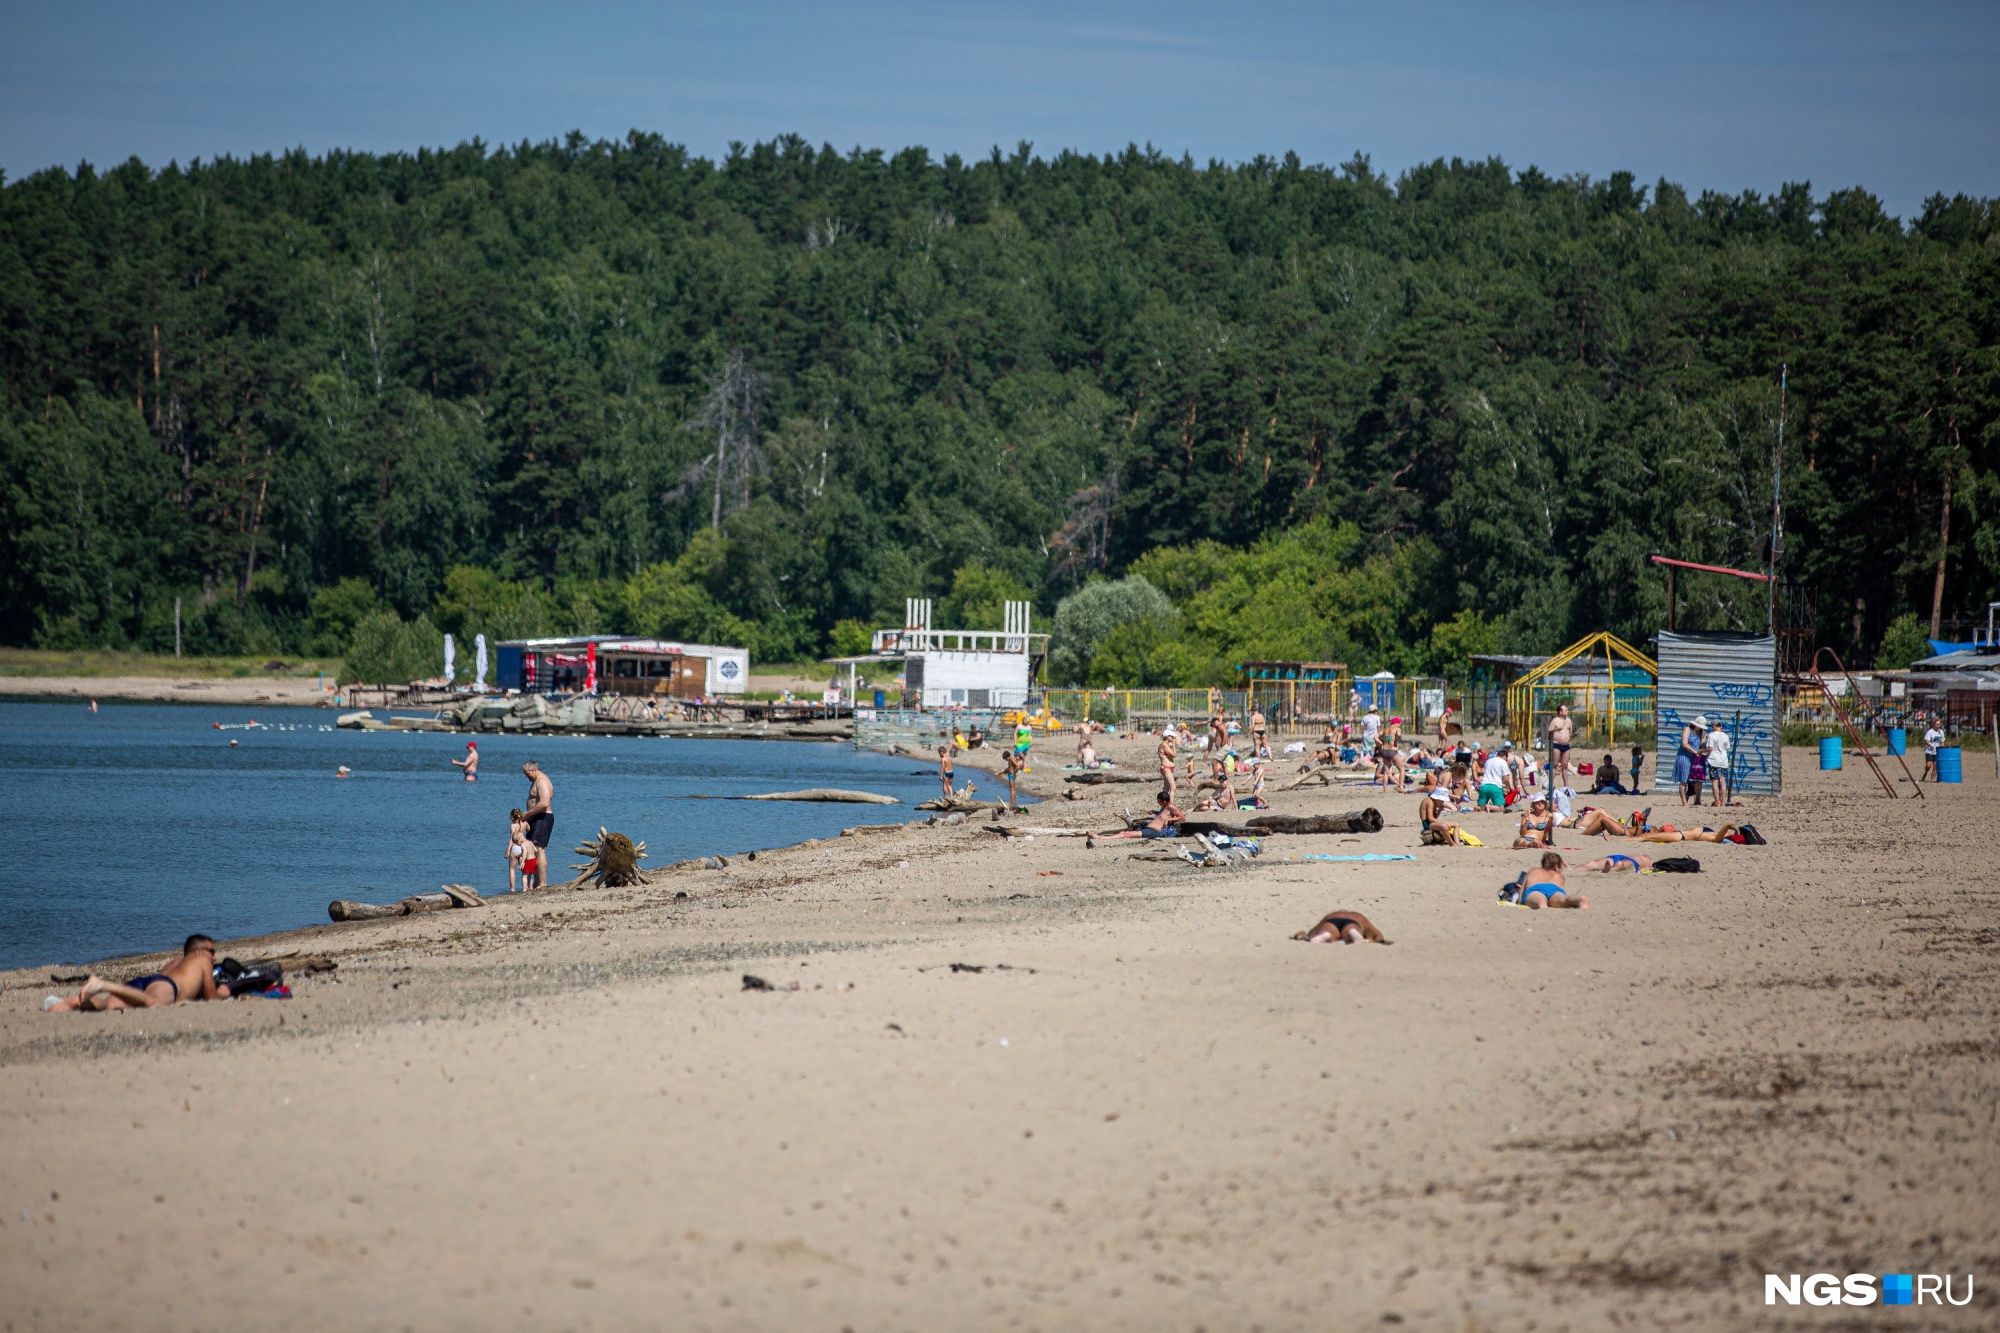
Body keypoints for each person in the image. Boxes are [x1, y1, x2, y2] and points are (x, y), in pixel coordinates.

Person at [46, 935, 232, 1011]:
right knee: (154, 1003)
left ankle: (68, 1004)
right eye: (212, 952)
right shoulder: (202, 960)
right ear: (198, 952)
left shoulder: (176, 963)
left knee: (105, 1005)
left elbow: (156, 982)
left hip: (149, 982)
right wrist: (223, 993)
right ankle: (102, 984)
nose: (214, 957)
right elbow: (211, 999)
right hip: (167, 987)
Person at [1502, 852, 1589, 910]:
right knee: (1565, 900)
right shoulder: (1560, 876)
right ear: (1556, 866)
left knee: (1541, 901)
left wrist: (1519, 901)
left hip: (1536, 890)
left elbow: (1522, 890)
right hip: (1555, 891)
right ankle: (1580, 900)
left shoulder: (1534, 870)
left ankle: (1544, 907)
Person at [521, 760, 554, 890]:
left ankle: (542, 883)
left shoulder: (542, 782)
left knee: (539, 849)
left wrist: (528, 814)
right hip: (536, 818)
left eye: (527, 773)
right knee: (533, 849)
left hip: (542, 818)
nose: (526, 776)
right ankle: (536, 882)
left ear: (534, 769)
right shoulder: (536, 781)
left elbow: (544, 803)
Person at [1102, 791, 1185, 840]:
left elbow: (1182, 817)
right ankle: (1103, 836)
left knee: (1127, 834)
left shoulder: (1171, 807)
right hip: (1148, 828)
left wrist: (1169, 820)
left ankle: (1101, 838)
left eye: (1159, 801)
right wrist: (1155, 812)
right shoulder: (1164, 806)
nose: (1157, 802)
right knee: (1125, 832)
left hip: (1154, 831)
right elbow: (1163, 816)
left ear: (1164, 801)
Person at [1292, 910, 1392, 944]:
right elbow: (1378, 935)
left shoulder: (1333, 914)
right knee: (1352, 929)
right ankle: (1355, 935)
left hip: (1331, 920)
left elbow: (1311, 932)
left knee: (1328, 931)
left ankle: (1325, 935)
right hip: (1353, 922)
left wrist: (1306, 935)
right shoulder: (1359, 917)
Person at [1675, 717, 1706, 805]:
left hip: (1695, 759)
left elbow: (1702, 746)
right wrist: (1694, 751)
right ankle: (1684, 802)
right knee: (1684, 780)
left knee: (1696, 780)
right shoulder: (1687, 729)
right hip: (1684, 756)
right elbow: (1684, 744)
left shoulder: (1703, 733)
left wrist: (1701, 753)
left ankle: (1697, 800)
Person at [1546, 703, 1574, 787]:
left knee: (1565, 765)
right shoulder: (1555, 720)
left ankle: (1566, 786)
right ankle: (1550, 785)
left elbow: (1570, 732)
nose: (1567, 711)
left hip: (1566, 745)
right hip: (1556, 745)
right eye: (1565, 710)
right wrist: (1556, 729)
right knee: (1554, 764)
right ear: (1560, 712)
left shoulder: (1569, 721)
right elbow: (1549, 734)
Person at [1706, 724, 1732, 806]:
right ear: (1721, 726)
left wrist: (1701, 751)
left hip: (1714, 760)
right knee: (1722, 781)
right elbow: (1727, 747)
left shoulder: (1711, 735)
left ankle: (1717, 802)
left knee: (1715, 781)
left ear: (1713, 726)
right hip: (1723, 760)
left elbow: (1710, 748)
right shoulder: (1726, 736)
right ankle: (1723, 802)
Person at [506, 809, 531, 892]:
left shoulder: (513, 826)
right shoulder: (524, 823)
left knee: (512, 869)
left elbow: (511, 839)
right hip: (523, 847)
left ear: (512, 817)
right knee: (525, 869)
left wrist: (508, 850)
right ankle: (528, 886)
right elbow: (529, 829)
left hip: (515, 847)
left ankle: (512, 889)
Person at [1157, 727, 1180, 803]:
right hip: (1166, 768)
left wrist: (1172, 745)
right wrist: (1173, 744)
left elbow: (1172, 754)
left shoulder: (1166, 745)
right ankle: (1170, 805)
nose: (1173, 738)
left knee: (1166, 789)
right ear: (1167, 736)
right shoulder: (1164, 744)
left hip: (1169, 768)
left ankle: (1163, 806)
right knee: (1173, 787)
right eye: (1172, 737)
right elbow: (1174, 755)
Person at [1578, 851, 1653, 873]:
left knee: (1621, 864)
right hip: (1620, 856)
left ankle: (1609, 870)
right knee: (1592, 863)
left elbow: (1649, 869)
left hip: (1634, 863)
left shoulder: (1652, 863)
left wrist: (1641, 870)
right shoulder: (1640, 855)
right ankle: (1571, 870)